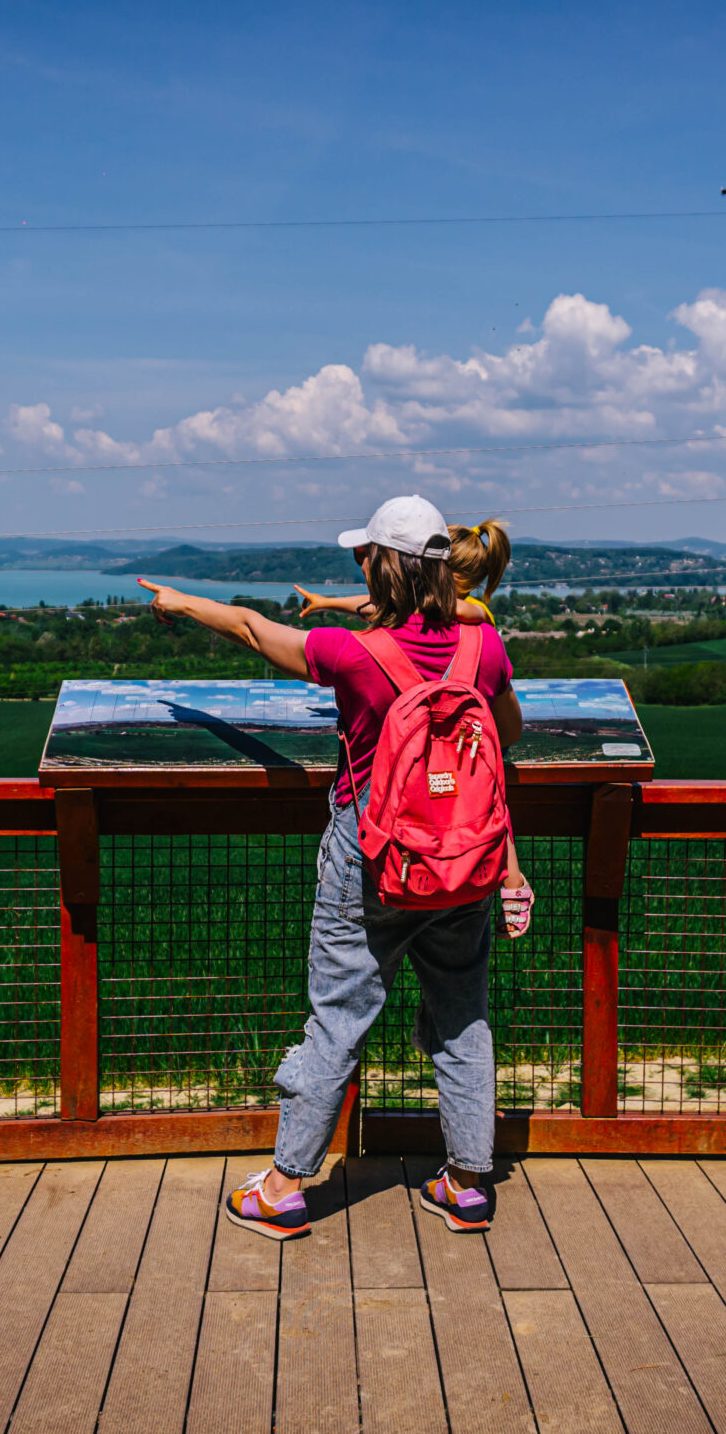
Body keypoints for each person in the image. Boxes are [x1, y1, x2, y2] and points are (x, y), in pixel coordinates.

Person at [136, 494, 521, 1241]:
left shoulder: (354, 654)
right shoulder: (486, 652)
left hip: (373, 860)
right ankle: (468, 1183)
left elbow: (253, 629)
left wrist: (183, 604)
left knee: (339, 1019)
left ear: (381, 566)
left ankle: (283, 1188)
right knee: (463, 1018)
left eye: (362, 555)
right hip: (463, 862)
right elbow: (504, 742)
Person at [292, 518, 532, 938]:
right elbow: (369, 605)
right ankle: (508, 878)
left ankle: (512, 876)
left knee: (482, 793)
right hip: (454, 746)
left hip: (443, 756)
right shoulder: (465, 619)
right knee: (483, 793)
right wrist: (327, 601)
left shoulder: (474, 616)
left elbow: (386, 607)